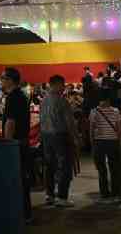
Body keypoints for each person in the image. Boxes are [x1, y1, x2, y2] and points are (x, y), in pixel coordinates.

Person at [40, 74, 78, 207]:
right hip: (60, 136)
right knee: (65, 165)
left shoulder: (43, 100)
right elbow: (70, 122)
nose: (64, 87)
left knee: (49, 166)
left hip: (46, 136)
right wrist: (75, 137)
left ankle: (49, 195)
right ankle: (62, 197)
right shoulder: (62, 101)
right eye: (62, 84)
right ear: (56, 84)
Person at [1, 67, 33, 224]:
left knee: (16, 180)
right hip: (22, 142)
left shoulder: (13, 98)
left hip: (15, 144)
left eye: (3, 78)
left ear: (10, 80)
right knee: (22, 179)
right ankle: (25, 212)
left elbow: (10, 122)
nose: (1, 81)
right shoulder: (22, 95)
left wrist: (7, 145)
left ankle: (20, 214)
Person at [90, 87, 121, 204]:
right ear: (109, 98)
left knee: (102, 170)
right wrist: (120, 141)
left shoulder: (94, 112)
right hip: (113, 142)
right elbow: (119, 129)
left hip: (99, 142)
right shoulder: (115, 111)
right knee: (114, 169)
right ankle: (116, 194)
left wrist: (92, 144)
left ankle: (104, 194)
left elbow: (92, 129)